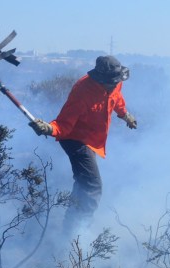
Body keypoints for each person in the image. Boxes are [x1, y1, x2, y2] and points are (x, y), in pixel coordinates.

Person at [28, 55, 137, 231]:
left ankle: (69, 225)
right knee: (92, 185)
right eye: (110, 82)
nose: (114, 84)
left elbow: (117, 99)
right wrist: (48, 128)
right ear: (99, 79)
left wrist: (125, 116)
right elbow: (64, 124)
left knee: (82, 184)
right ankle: (78, 232)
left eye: (116, 81)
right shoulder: (82, 91)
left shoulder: (115, 82)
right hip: (75, 139)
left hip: (94, 140)